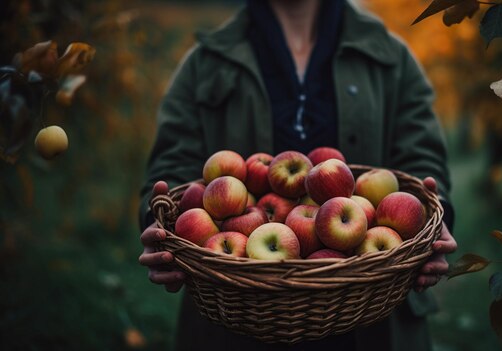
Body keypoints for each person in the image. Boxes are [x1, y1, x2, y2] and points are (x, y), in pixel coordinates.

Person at [138, 0, 457, 350]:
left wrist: (432, 218)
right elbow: (172, 168)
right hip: (237, 312)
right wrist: (161, 227)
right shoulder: (206, 62)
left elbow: (423, 158)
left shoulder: (388, 56)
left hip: (371, 317)